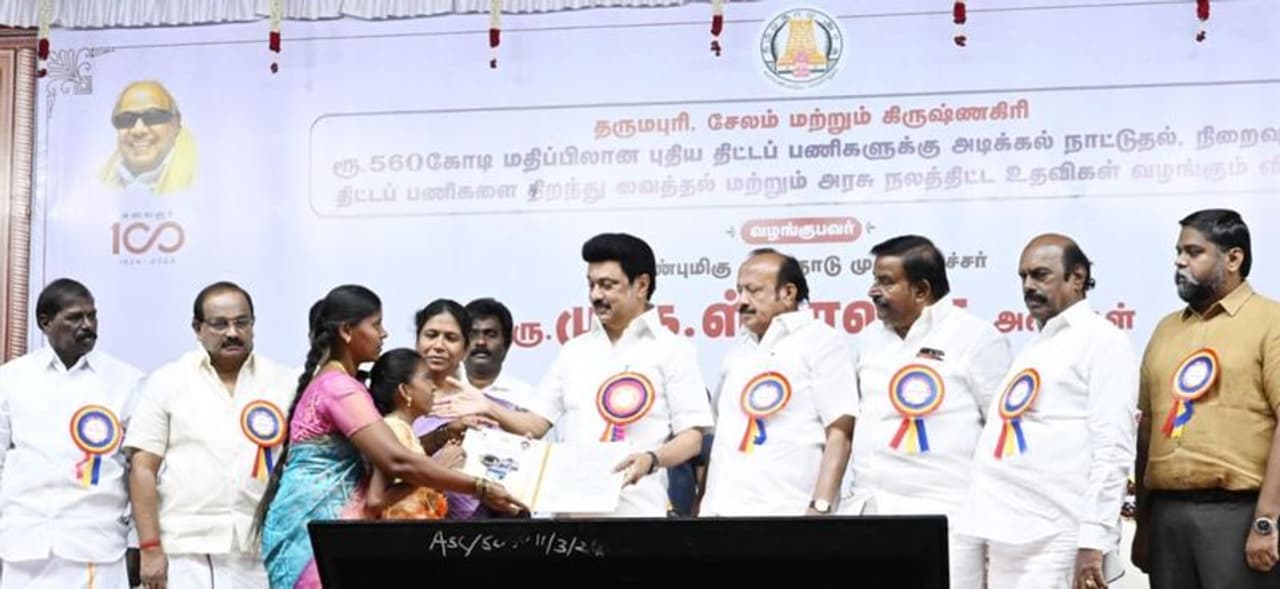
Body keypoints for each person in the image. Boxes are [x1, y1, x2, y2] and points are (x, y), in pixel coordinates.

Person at [255, 285, 523, 589]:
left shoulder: (341, 382)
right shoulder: (339, 388)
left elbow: (392, 451)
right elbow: (396, 460)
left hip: (325, 530)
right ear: (347, 331)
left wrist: (443, 435)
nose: (383, 334)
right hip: (312, 537)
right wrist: (480, 487)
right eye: (376, 324)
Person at [436, 233, 715, 517]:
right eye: (591, 284)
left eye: (607, 285)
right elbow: (536, 424)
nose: (596, 296)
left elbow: (692, 439)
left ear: (641, 285)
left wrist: (650, 459)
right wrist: (487, 406)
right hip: (571, 516)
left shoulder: (673, 350)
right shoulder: (574, 350)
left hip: (638, 513)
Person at [957, 234, 1137, 589]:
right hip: (1006, 534)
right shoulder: (1036, 346)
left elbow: (1113, 447)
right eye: (1023, 276)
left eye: (1040, 275)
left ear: (1077, 277)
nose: (1028, 286)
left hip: (1059, 537)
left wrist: (1093, 540)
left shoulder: (1104, 341)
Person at [846, 235, 1012, 587]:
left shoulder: (977, 338)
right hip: (872, 518)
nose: (873, 291)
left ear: (921, 290)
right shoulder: (869, 339)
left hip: (948, 522)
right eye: (875, 280)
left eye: (885, 282)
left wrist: (995, 527)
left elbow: (1002, 437)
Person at [1133, 209, 1280, 588]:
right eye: (1178, 252)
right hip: (1166, 517)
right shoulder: (1165, 330)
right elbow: (1146, 430)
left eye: (1194, 252)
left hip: (1239, 515)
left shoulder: (1271, 321)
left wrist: (1266, 520)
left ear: (1234, 258)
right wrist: (1144, 524)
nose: (1180, 261)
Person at [124, 281, 297, 589]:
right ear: (197, 327)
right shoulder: (167, 381)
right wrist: (149, 548)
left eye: (242, 322)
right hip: (187, 551)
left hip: (260, 549)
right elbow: (142, 469)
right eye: (219, 324)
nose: (232, 332)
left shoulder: (284, 382)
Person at [0, 278, 144, 588]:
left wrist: (138, 541)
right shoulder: (11, 379)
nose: (87, 325)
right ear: (46, 323)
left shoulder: (127, 380)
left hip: (96, 545)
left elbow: (139, 470)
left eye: (92, 316)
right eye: (75, 318)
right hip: (24, 544)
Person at [698, 248, 857, 516]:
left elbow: (840, 432)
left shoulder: (822, 341)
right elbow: (718, 439)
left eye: (754, 291)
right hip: (721, 513)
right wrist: (702, 505)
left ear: (788, 293)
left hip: (788, 512)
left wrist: (820, 507)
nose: (741, 301)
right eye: (739, 291)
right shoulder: (737, 352)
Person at [365, 348, 456, 520]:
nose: (433, 387)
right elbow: (375, 500)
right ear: (405, 390)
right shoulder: (395, 429)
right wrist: (438, 469)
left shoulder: (402, 429)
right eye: (426, 378)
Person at [100, 81, 196, 194]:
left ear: (175, 124)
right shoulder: (102, 180)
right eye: (126, 119)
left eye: (153, 117)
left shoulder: (199, 176)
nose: (138, 130)